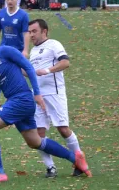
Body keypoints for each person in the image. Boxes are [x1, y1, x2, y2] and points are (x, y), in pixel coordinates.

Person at [0, 36, 91, 183]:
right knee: (35, 142)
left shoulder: (5, 51)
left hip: (22, 99)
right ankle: (76, 159)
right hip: (17, 102)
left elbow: (29, 67)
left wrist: (37, 93)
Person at [28, 19, 85, 178]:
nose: (31, 35)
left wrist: (47, 70)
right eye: (30, 32)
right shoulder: (33, 52)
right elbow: (32, 73)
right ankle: (50, 167)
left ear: (44, 31)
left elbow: (65, 63)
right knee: (38, 134)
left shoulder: (54, 44)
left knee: (63, 129)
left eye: (34, 31)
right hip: (38, 96)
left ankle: (79, 161)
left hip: (55, 92)